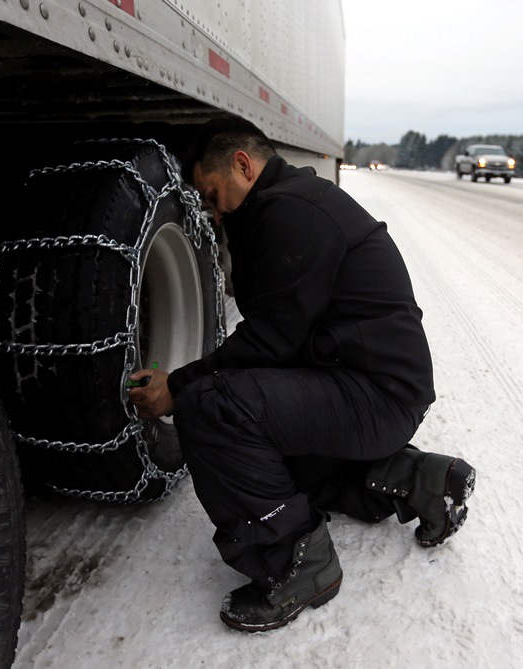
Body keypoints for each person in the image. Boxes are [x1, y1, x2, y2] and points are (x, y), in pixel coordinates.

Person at [128, 117, 475, 632]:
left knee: (213, 407)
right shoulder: (288, 201)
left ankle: (298, 565)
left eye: (213, 193)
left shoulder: (290, 213)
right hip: (372, 385)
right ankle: (420, 482)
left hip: (376, 395)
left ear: (243, 166)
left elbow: (270, 340)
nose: (212, 210)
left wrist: (179, 386)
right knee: (277, 469)